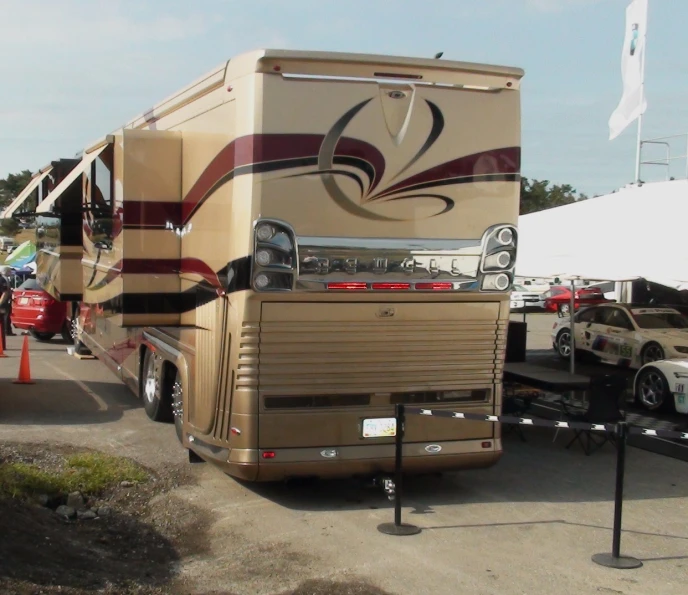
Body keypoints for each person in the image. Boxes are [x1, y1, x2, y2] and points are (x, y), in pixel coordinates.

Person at [0, 265, 15, 344]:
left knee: (6, 317)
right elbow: (5, 292)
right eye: (9, 271)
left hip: (4, 302)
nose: (10, 272)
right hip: (4, 302)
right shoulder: (3, 279)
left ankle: (7, 331)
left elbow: (6, 292)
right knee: (5, 317)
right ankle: (6, 331)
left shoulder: (3, 279)